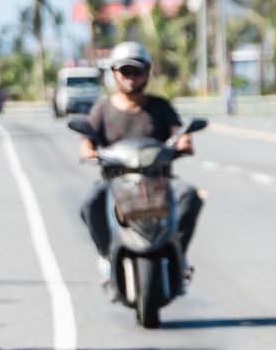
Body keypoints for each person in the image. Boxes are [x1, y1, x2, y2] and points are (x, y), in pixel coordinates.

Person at [76, 41, 202, 276]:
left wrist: (184, 142)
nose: (131, 77)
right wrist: (88, 150)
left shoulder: (161, 107)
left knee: (189, 195)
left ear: (147, 73)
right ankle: (107, 254)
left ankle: (179, 253)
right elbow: (87, 139)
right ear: (114, 73)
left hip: (159, 182)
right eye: (125, 71)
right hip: (115, 183)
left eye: (137, 71)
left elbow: (180, 133)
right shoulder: (102, 109)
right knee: (91, 202)